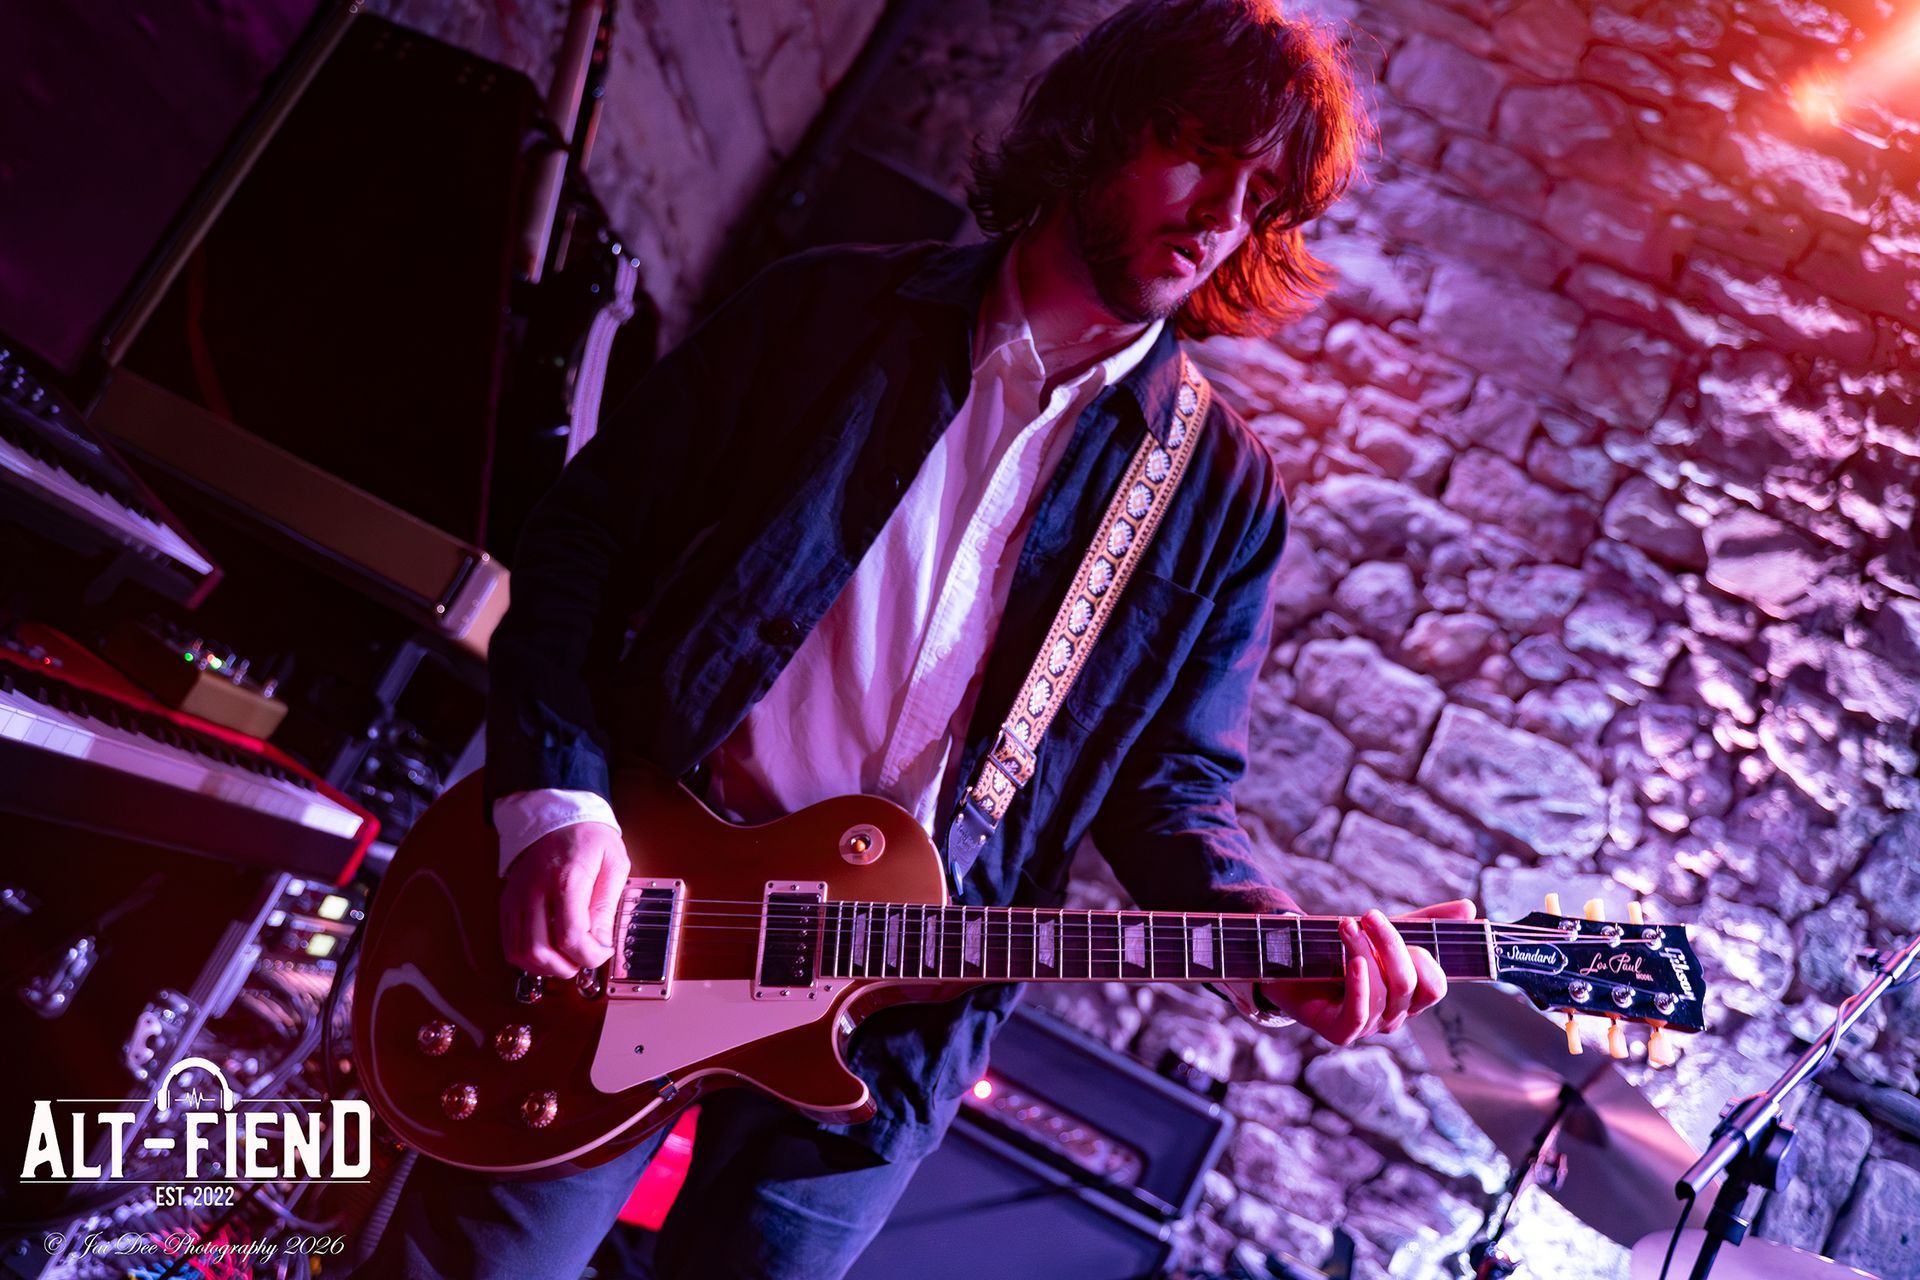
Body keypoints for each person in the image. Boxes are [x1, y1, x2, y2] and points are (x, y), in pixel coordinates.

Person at [360, 1, 1473, 1276]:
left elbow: (1171, 786)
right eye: (1199, 148)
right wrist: (556, 800)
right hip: (638, 916)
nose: (1221, 212)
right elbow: (580, 544)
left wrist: (1271, 944)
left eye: (1262, 195)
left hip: (893, 1019)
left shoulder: (1219, 496)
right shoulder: (830, 310)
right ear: (1101, 124)